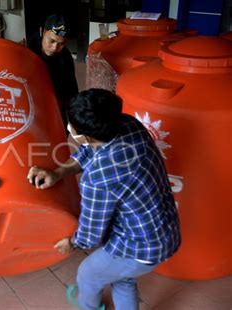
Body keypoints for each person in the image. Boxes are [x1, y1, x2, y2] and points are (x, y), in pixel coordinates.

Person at [27, 89, 181, 310]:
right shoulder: (127, 124)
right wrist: (58, 173)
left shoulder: (98, 177)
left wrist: (72, 244)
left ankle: (90, 306)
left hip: (140, 245)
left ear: (84, 136)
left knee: (87, 275)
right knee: (123, 278)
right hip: (165, 229)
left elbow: (91, 231)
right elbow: (90, 152)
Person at [27, 13, 79, 128]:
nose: (55, 48)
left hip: (53, 102)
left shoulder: (65, 58)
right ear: (42, 32)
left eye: (62, 43)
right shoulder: (25, 51)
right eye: (51, 41)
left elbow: (71, 91)